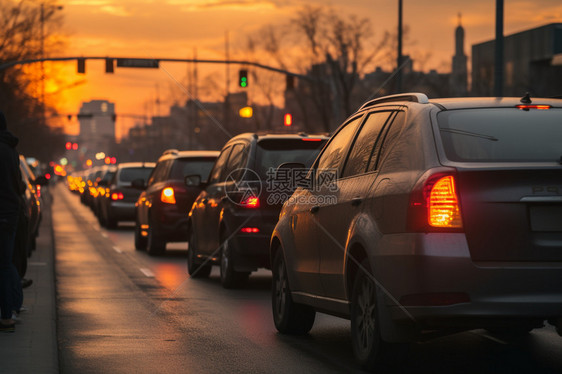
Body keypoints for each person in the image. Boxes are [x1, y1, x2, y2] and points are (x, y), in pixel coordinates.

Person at [0, 111, 23, 332]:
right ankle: (8, 315)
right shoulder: (11, 150)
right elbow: (19, 184)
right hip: (10, 213)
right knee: (6, 265)